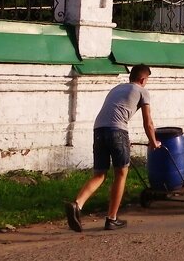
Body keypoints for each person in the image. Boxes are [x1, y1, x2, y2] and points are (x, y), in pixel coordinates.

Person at [65, 64, 160, 231]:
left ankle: (77, 204)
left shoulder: (117, 88)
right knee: (121, 173)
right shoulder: (142, 91)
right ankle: (112, 218)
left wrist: (121, 139)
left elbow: (113, 113)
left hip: (99, 130)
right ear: (143, 79)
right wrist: (153, 142)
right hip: (117, 131)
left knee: (100, 174)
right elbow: (148, 123)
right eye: (147, 81)